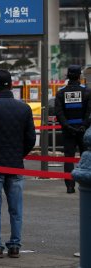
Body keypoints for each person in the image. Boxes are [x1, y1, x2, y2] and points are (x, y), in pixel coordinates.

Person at [0, 69, 36, 258]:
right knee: (15, 207)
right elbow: (30, 138)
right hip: (16, 164)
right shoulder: (24, 108)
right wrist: (19, 154)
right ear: (11, 84)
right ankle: (15, 245)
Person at [54, 64, 91, 194]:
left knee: (68, 157)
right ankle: (86, 183)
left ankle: (70, 186)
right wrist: (84, 126)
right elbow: (89, 112)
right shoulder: (87, 91)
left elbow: (59, 113)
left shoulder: (61, 92)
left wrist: (67, 126)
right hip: (84, 131)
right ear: (79, 76)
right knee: (86, 156)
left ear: (67, 76)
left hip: (68, 131)